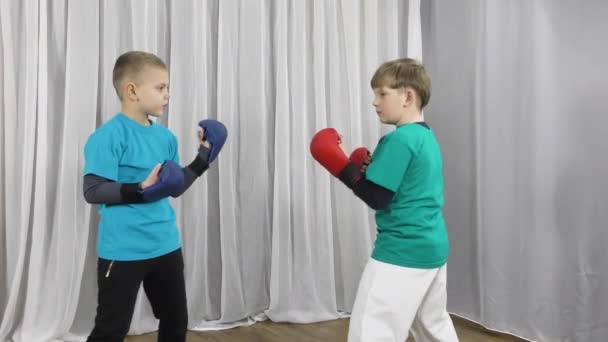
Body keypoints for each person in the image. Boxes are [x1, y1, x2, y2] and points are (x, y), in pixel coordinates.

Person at [82, 50, 227, 342]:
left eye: (168, 88)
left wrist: (203, 158)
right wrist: (138, 189)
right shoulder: (107, 136)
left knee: (175, 320)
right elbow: (93, 190)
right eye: (160, 88)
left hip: (165, 244)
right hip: (123, 250)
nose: (167, 95)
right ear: (132, 90)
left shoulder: (165, 137)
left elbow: (173, 187)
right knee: (111, 329)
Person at [310, 57, 458, 341]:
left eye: (382, 93)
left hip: (401, 251)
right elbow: (406, 187)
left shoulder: (399, 140)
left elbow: (378, 197)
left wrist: (343, 168)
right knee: (433, 326)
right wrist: (363, 167)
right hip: (432, 247)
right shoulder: (425, 136)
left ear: (408, 96)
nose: (375, 102)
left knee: (371, 332)